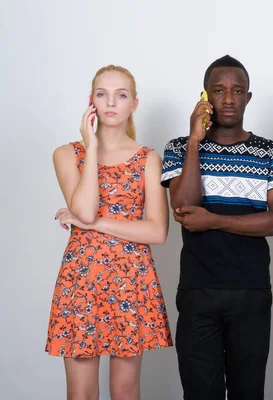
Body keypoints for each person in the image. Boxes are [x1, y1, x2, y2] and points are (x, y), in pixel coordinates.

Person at [161, 55, 273, 400]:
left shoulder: (270, 153)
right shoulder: (178, 148)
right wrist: (194, 140)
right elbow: (184, 208)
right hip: (197, 290)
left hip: (250, 291)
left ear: (249, 97)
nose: (229, 99)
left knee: (247, 392)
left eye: (238, 91)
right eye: (219, 91)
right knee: (199, 393)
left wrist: (215, 220)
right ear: (205, 97)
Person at [46, 65, 172, 400]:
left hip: (132, 279)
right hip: (81, 282)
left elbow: (157, 232)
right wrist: (91, 147)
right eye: (102, 94)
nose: (111, 102)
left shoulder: (148, 159)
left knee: (125, 392)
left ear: (134, 103)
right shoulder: (67, 154)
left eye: (121, 95)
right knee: (82, 394)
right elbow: (85, 208)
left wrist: (93, 224)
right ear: (92, 102)